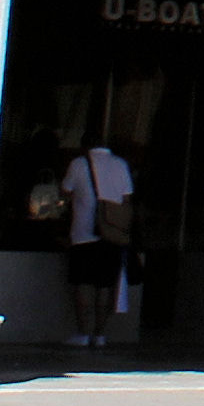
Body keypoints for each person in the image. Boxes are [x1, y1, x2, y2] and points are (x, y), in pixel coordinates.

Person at [61, 134, 135, 351]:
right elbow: (127, 199)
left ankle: (84, 333)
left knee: (84, 285)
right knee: (105, 286)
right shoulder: (121, 165)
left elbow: (65, 191)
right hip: (112, 234)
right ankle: (100, 334)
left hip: (83, 233)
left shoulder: (79, 164)